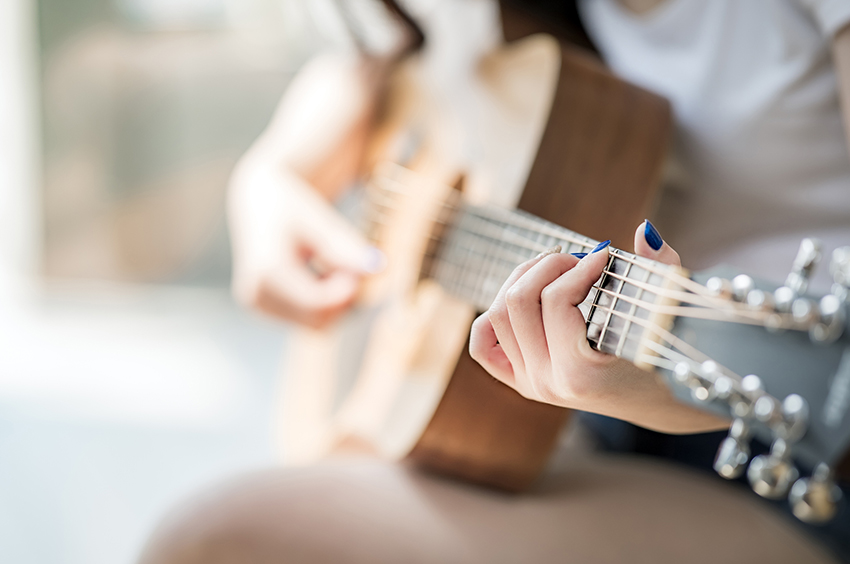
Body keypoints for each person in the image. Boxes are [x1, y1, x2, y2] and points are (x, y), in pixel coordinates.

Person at [139, 1, 850, 562]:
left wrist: (667, 386)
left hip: (794, 461)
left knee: (217, 543)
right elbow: (379, 50)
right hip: (579, 421)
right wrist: (273, 172)